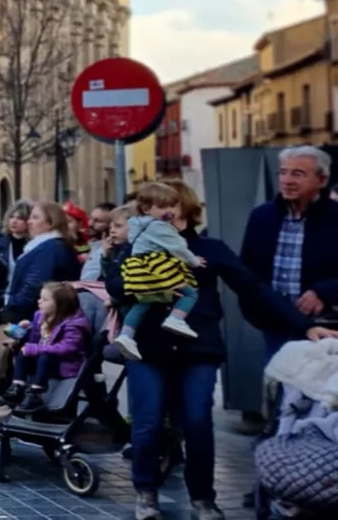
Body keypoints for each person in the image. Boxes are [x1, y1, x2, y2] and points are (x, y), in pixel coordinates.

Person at [108, 179, 337, 520]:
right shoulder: (138, 246)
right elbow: (115, 287)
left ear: (184, 208)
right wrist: (146, 275)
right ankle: (146, 492)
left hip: (197, 348)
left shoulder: (210, 250)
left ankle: (203, 498)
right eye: (155, 206)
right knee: (147, 423)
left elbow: (254, 287)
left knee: (199, 421)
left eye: (170, 205)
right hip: (148, 348)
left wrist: (304, 325)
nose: (164, 212)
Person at [240, 146, 338, 361]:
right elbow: (247, 273)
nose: (287, 180)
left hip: (327, 327)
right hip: (276, 325)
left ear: (321, 180)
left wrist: (323, 292)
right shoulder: (262, 217)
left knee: (321, 392)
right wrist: (256, 311)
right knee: (278, 390)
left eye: (298, 174)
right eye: (283, 172)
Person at [114, 183, 204, 361]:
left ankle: (126, 334)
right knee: (190, 293)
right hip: (155, 266)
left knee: (143, 302)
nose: (168, 211)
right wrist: (193, 261)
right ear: (147, 208)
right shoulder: (159, 226)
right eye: (163, 207)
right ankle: (176, 318)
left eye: (172, 205)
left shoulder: (137, 224)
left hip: (137, 267)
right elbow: (177, 247)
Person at [1, 282, 89, 413]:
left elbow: (67, 348)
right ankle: (17, 387)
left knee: (45, 355)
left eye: (45, 299)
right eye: (40, 298)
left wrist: (35, 349)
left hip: (63, 365)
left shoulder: (74, 325)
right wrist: (27, 331)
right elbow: (36, 340)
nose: (39, 301)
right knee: (23, 353)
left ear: (60, 305)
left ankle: (35, 394)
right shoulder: (40, 317)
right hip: (41, 362)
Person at [1, 201, 81, 322]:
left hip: (35, 318)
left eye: (35, 217)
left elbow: (33, 288)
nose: (29, 221)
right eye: (30, 217)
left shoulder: (49, 249)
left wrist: (9, 307)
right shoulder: (48, 246)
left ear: (50, 223)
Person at [0, 201, 32, 293]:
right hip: (4, 294)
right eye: (11, 217)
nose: (14, 221)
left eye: (20, 218)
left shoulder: (35, 246)